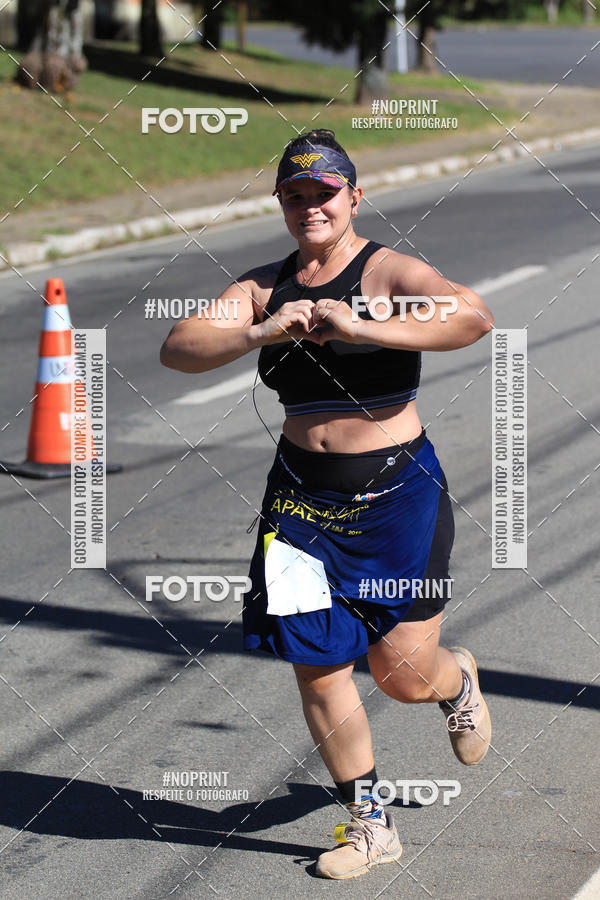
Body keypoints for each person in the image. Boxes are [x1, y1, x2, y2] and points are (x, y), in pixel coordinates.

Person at [160, 128, 494, 880]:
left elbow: (473, 317)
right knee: (318, 665)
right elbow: (178, 347)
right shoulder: (262, 285)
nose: (311, 206)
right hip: (299, 504)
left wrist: (361, 323)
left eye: (325, 193)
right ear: (281, 203)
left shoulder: (387, 271)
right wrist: (258, 331)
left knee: (402, 674)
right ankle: (370, 826)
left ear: (354, 197)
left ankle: (457, 682)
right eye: (295, 195)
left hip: (397, 494)